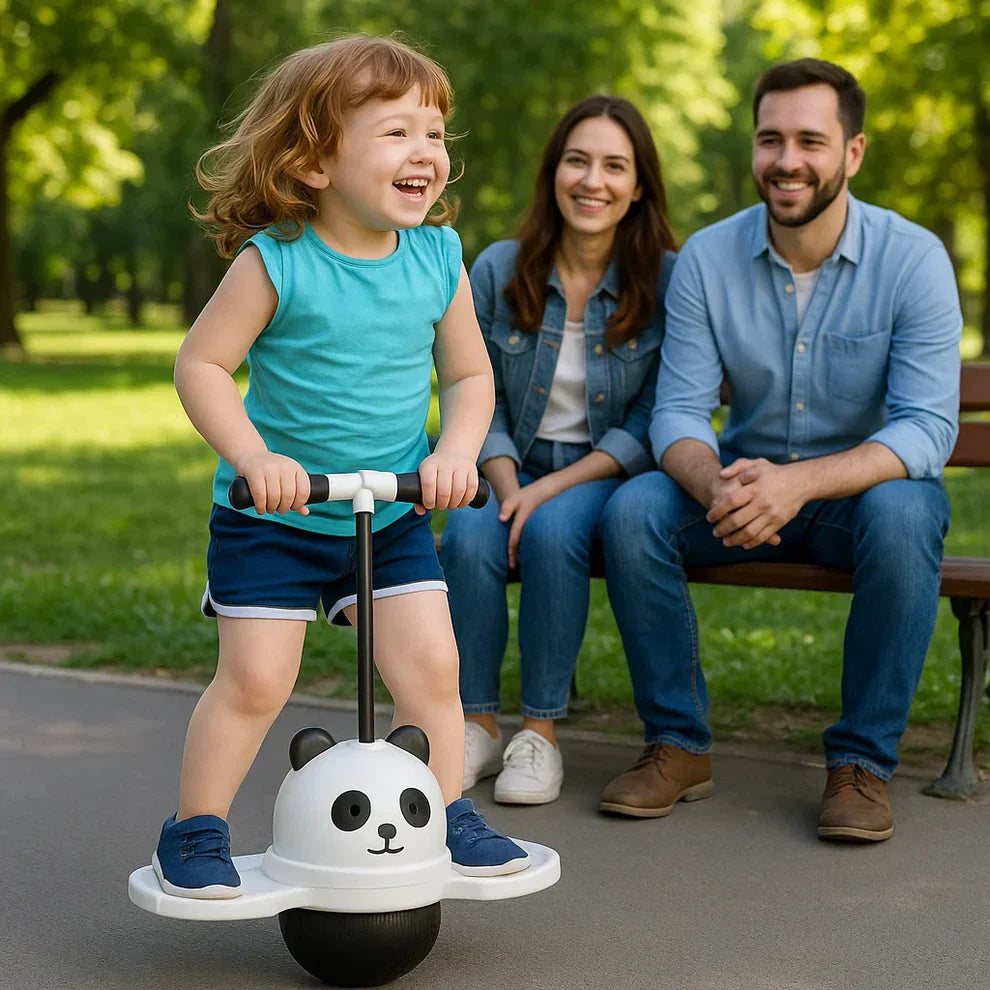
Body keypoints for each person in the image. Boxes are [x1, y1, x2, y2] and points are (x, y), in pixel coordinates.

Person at [153, 35, 530, 899]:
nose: (426, 153)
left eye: (435, 134)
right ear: (315, 161)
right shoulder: (277, 260)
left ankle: (446, 809)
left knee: (432, 667)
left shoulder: (438, 257)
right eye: (397, 133)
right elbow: (200, 366)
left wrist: (456, 451)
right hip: (275, 517)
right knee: (255, 680)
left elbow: (471, 375)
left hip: (391, 510)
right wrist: (255, 457)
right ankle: (196, 827)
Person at [598, 59, 961, 842]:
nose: (787, 159)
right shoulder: (706, 258)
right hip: (738, 489)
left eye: (810, 140)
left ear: (853, 152)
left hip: (858, 500)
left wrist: (796, 486)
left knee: (907, 514)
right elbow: (679, 414)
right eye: (771, 139)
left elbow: (927, 429)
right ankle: (677, 746)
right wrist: (722, 488)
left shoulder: (914, 259)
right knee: (633, 512)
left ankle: (862, 765)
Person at [440, 96, 677, 805]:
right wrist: (510, 481)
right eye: (578, 160)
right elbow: (474, 389)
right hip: (501, 459)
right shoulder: (500, 268)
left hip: (599, 468)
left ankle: (539, 736)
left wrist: (545, 492)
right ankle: (474, 725)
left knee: (552, 535)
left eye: (614, 165)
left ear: (639, 186)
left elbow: (648, 417)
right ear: (553, 173)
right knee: (471, 533)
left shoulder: (664, 279)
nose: (592, 180)